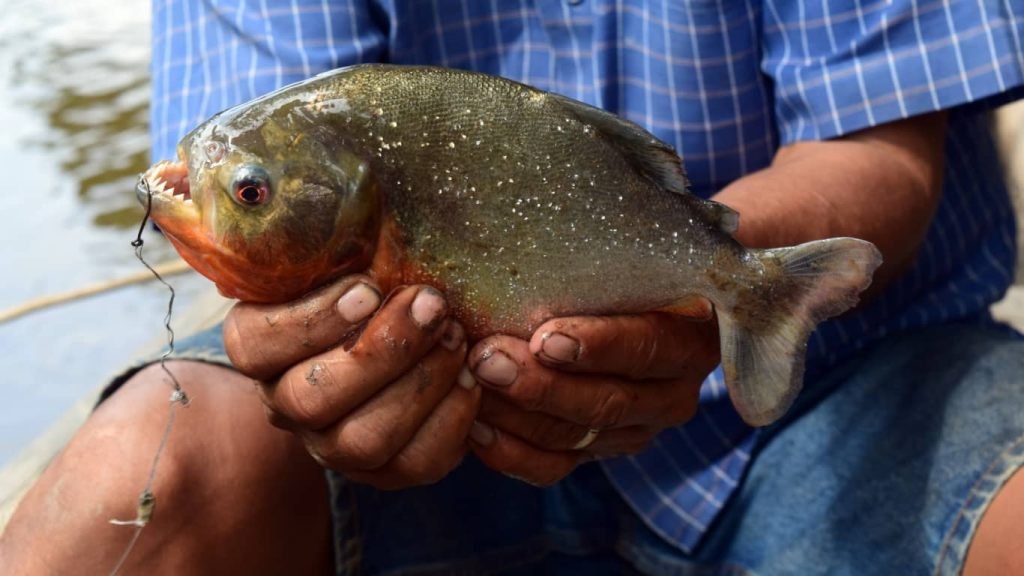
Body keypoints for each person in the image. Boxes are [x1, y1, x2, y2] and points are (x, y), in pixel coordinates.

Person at [3, 1, 1024, 574]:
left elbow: (880, 155)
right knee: (125, 487)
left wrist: (699, 288)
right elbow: (264, 214)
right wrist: (319, 362)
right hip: (418, 457)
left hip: (847, 391)